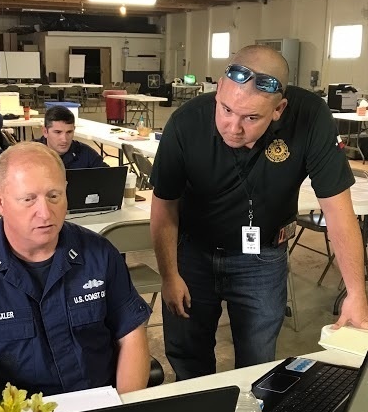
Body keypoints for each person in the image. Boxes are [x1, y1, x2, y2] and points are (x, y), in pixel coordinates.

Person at [150, 44, 368, 381]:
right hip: (192, 254)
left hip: (262, 258)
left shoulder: (309, 117)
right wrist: (168, 275)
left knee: (257, 364)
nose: (233, 127)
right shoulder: (186, 123)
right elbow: (164, 207)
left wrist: (355, 293)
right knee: (189, 358)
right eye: (225, 110)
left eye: (251, 118)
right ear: (219, 89)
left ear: (278, 109)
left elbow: (338, 211)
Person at [0, 142, 151, 396]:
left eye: (54, 196)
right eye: (28, 199)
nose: (45, 213)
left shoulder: (99, 254)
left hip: (95, 407)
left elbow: (130, 332)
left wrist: (127, 409)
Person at [34, 105, 108, 169]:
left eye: (69, 132)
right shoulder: (30, 154)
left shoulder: (86, 154)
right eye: (58, 132)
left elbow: (111, 177)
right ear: (45, 132)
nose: (64, 139)